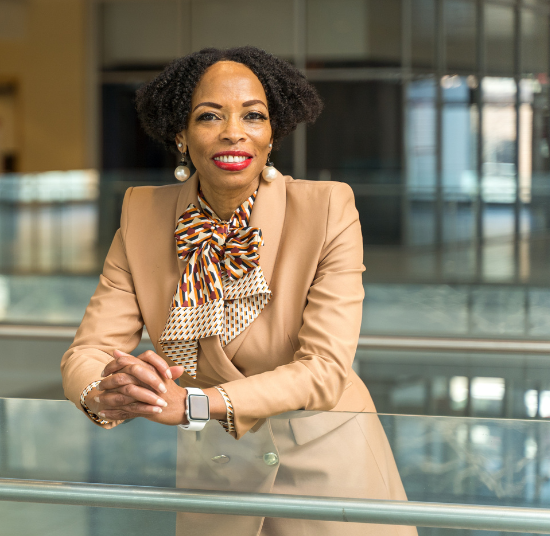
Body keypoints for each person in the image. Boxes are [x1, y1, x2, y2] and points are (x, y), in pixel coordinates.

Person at [60, 46, 415, 536]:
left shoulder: (328, 208)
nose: (234, 131)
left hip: (328, 472)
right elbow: (87, 352)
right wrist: (108, 391)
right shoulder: (141, 215)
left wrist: (194, 405)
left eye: (253, 115)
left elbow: (325, 371)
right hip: (218, 477)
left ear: (272, 136)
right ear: (181, 136)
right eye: (210, 116)